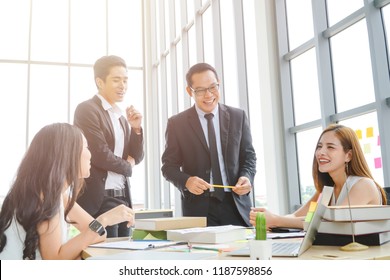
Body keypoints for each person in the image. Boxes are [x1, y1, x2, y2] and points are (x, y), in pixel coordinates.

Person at [0, 123, 134, 260]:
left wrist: (101, 223)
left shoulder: (58, 195)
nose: (90, 154)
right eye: (86, 147)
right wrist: (104, 219)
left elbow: (100, 233)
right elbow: (55, 261)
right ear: (68, 154)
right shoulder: (45, 196)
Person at [161, 62, 257, 227]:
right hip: (198, 209)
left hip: (236, 205)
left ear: (218, 83)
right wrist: (187, 181)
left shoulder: (237, 117)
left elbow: (249, 156)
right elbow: (168, 167)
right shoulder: (177, 124)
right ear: (189, 91)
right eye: (200, 90)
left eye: (213, 87)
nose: (208, 95)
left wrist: (246, 177)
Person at [250, 124, 387, 229]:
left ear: (348, 155)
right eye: (319, 146)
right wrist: (268, 219)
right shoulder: (327, 189)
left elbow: (331, 223)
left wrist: (276, 220)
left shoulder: (364, 185)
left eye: (330, 147)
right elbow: (297, 216)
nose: (321, 152)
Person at [73, 55, 144, 238]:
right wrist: (128, 167)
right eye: (116, 80)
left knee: (123, 253)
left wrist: (136, 128)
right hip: (100, 198)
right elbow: (99, 153)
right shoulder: (87, 109)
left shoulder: (120, 117)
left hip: (122, 197)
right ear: (100, 81)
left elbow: (137, 155)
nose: (123, 85)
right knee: (105, 255)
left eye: (125, 80)